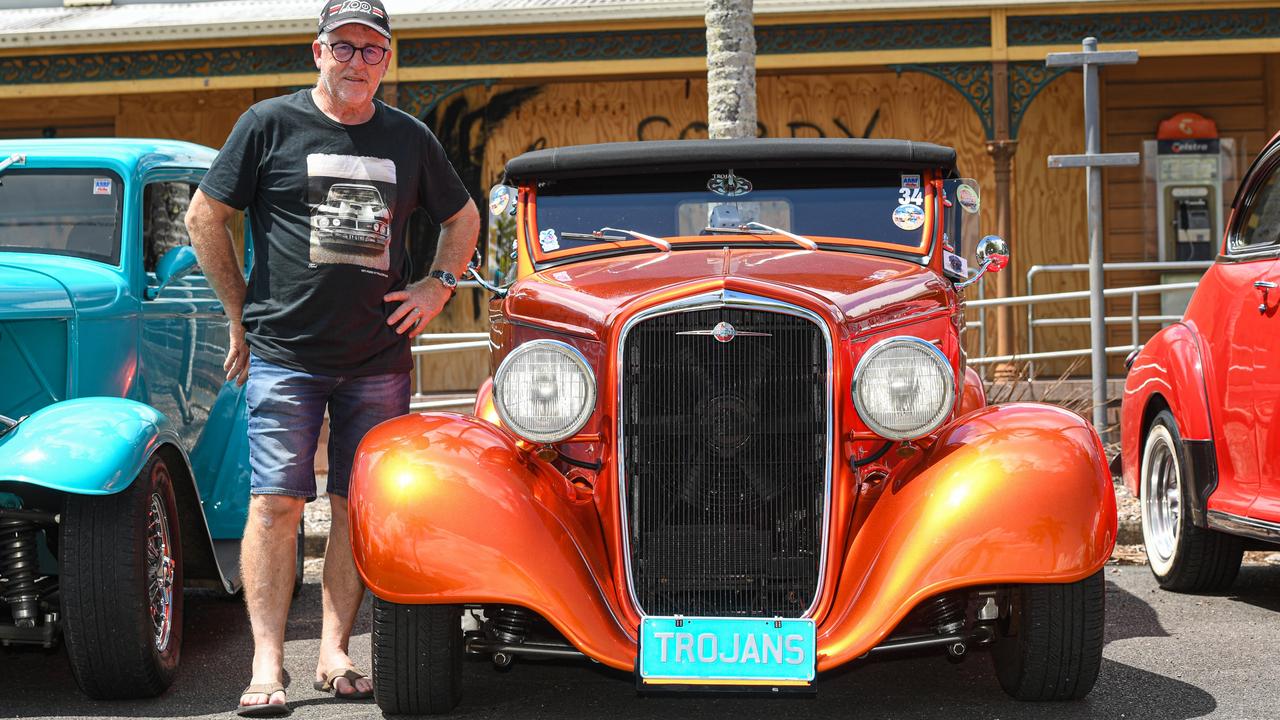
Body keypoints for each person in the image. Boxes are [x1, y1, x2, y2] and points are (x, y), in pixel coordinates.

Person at [184, 1, 479, 715]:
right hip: (284, 353)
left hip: (377, 359)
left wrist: (436, 288)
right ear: (317, 52)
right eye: (343, 47)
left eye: (372, 50)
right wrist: (236, 316)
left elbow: (462, 216)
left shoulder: (408, 138)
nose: (357, 60)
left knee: (356, 508)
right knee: (276, 504)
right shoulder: (267, 125)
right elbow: (204, 215)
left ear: (387, 60)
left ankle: (337, 650)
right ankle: (266, 665)